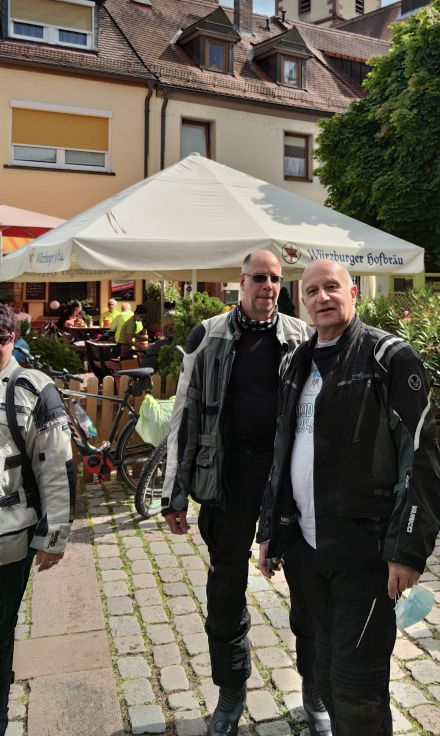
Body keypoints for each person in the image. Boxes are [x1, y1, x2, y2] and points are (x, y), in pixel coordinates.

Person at [258, 260, 440, 736]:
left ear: (353, 292)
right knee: (320, 667)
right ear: (302, 300)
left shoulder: (388, 358)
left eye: (332, 287)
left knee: (357, 686)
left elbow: (421, 457)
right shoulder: (295, 362)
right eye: (312, 291)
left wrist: (408, 549)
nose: (322, 298)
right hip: (306, 551)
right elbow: (282, 451)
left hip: (365, 552)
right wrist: (270, 530)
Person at [162, 251, 328, 736]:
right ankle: (231, 690)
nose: (268, 286)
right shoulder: (208, 336)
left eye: (276, 279)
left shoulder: (301, 337)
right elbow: (185, 415)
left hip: (287, 484)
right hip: (228, 481)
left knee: (308, 587)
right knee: (225, 591)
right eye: (260, 277)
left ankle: (315, 689)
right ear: (241, 282)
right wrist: (174, 494)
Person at [0, 303, 75, 736]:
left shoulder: (31, 389)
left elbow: (57, 468)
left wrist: (54, 536)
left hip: (8, 538)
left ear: (12, 339)